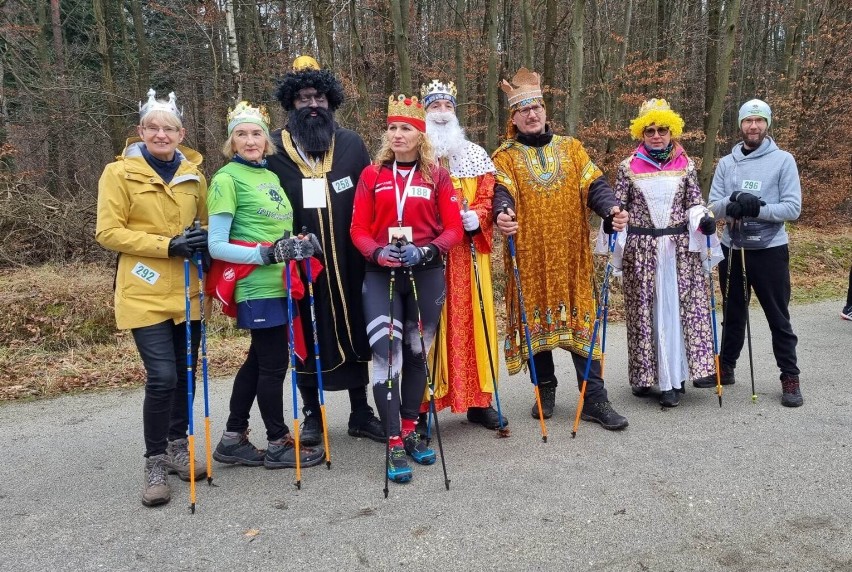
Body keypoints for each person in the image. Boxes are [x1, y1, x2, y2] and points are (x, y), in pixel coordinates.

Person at [491, 67, 629, 430]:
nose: (532, 114)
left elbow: (595, 184)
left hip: (571, 257)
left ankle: (595, 397)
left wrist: (611, 207)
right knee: (535, 322)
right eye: (523, 110)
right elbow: (500, 192)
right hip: (531, 256)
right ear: (514, 117)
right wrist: (502, 213)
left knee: (582, 319)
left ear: (545, 109)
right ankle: (545, 389)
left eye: (536, 106)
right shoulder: (503, 157)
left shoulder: (571, 148)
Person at [96, 89, 209, 507]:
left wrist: (201, 243)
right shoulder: (119, 173)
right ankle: (155, 459)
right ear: (141, 131)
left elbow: (204, 223)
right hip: (144, 291)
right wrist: (167, 245)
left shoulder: (195, 175)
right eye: (153, 127)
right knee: (162, 377)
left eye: (169, 128)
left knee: (185, 374)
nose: (161, 134)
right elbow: (108, 232)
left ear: (181, 133)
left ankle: (179, 444)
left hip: (187, 290)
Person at [266, 56, 384, 446]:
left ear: (330, 101)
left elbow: (373, 198)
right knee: (307, 336)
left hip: (353, 261)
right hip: (303, 267)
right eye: (302, 98)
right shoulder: (273, 154)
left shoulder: (351, 144)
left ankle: (360, 412)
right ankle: (314, 417)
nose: (312, 104)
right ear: (291, 104)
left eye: (318, 96)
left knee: (357, 333)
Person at [350, 94, 463, 483]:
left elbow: (452, 229)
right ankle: (393, 440)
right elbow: (358, 230)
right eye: (393, 128)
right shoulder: (372, 174)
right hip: (382, 274)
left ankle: (412, 428)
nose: (398, 135)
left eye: (407, 129)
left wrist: (428, 250)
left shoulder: (437, 175)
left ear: (420, 135)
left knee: (416, 354)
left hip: (424, 271)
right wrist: (377, 253)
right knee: (386, 354)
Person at [206, 101, 324, 469]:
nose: (250, 140)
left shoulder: (268, 175)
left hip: (281, 283)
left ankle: (232, 438)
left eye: (256, 132)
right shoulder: (226, 179)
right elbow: (216, 244)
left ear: (266, 139)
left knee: (258, 362)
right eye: (241, 134)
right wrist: (267, 254)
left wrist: (296, 243)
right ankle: (277, 441)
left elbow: (276, 232)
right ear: (231, 141)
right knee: (273, 365)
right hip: (256, 286)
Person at [612, 99, 722, 407]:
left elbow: (695, 202)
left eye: (662, 129)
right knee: (645, 314)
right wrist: (613, 223)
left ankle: (673, 379)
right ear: (641, 133)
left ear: (671, 131)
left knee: (675, 312)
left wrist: (704, 220)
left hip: (678, 252)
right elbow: (618, 206)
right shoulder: (627, 166)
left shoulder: (685, 164)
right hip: (643, 252)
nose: (657, 135)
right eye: (650, 130)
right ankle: (645, 377)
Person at [419, 79, 506, 430]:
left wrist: (479, 217)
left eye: (447, 107)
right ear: (425, 113)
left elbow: (488, 197)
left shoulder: (475, 155)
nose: (441, 114)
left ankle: (478, 400)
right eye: (434, 107)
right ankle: (423, 405)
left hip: (469, 256)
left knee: (476, 321)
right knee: (428, 326)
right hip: (429, 256)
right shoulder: (414, 156)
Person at [705, 98, 803, 407]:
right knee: (733, 312)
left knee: (778, 316)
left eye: (760, 121)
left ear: (767, 125)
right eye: (748, 120)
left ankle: (790, 375)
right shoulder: (726, 163)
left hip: (769, 250)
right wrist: (732, 202)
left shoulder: (783, 160)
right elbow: (712, 205)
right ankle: (727, 365)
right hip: (733, 247)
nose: (754, 126)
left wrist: (756, 207)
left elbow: (792, 208)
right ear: (740, 125)